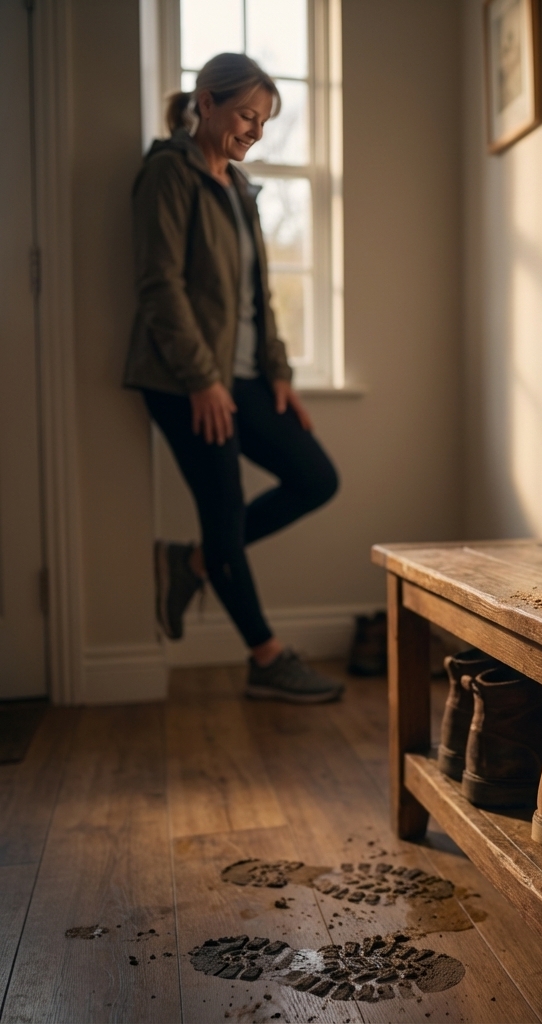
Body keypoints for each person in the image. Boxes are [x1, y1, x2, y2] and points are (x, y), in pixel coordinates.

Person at [123, 52, 342, 703]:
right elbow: (159, 286)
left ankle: (187, 563)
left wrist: (277, 373)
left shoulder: (240, 188)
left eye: (264, 120)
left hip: (244, 379)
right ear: (206, 101)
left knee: (316, 478)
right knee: (222, 516)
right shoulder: (168, 173)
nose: (255, 130)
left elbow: (259, 295)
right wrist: (201, 382)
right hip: (182, 380)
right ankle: (267, 657)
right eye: (246, 114)